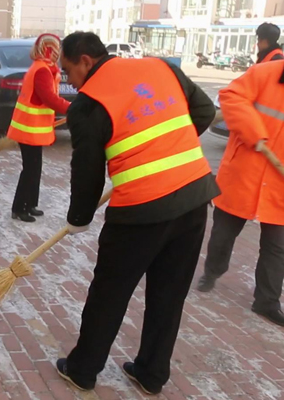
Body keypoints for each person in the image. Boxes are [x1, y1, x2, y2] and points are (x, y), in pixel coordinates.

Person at [54, 32, 218, 395]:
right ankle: (151, 373)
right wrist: (168, 149)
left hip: (140, 211)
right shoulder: (161, 67)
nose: (70, 80)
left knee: (110, 292)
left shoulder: (88, 104)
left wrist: (78, 218)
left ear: (85, 61)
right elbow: (205, 111)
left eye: (68, 71)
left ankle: (82, 369)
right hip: (194, 196)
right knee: (169, 293)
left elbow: (88, 173)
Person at [196, 61, 284, 325]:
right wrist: (254, 133)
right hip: (244, 174)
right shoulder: (263, 73)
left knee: (277, 247)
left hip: (279, 185)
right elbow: (231, 96)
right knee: (223, 235)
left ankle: (267, 301)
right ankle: (213, 271)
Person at [7, 34, 70, 223]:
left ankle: (31, 203)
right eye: (55, 49)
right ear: (49, 50)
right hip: (29, 129)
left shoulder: (44, 68)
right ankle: (20, 208)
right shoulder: (42, 70)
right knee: (30, 169)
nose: (58, 53)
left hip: (33, 128)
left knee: (35, 167)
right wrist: (71, 108)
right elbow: (48, 98)